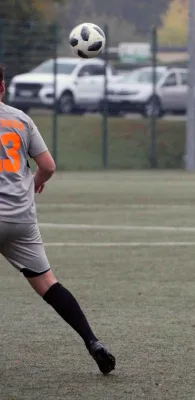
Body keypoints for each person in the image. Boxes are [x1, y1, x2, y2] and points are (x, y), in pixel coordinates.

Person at [0, 64, 115, 374]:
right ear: (2, 87)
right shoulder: (21, 119)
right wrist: (36, 180)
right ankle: (92, 341)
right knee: (48, 284)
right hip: (21, 218)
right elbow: (48, 166)